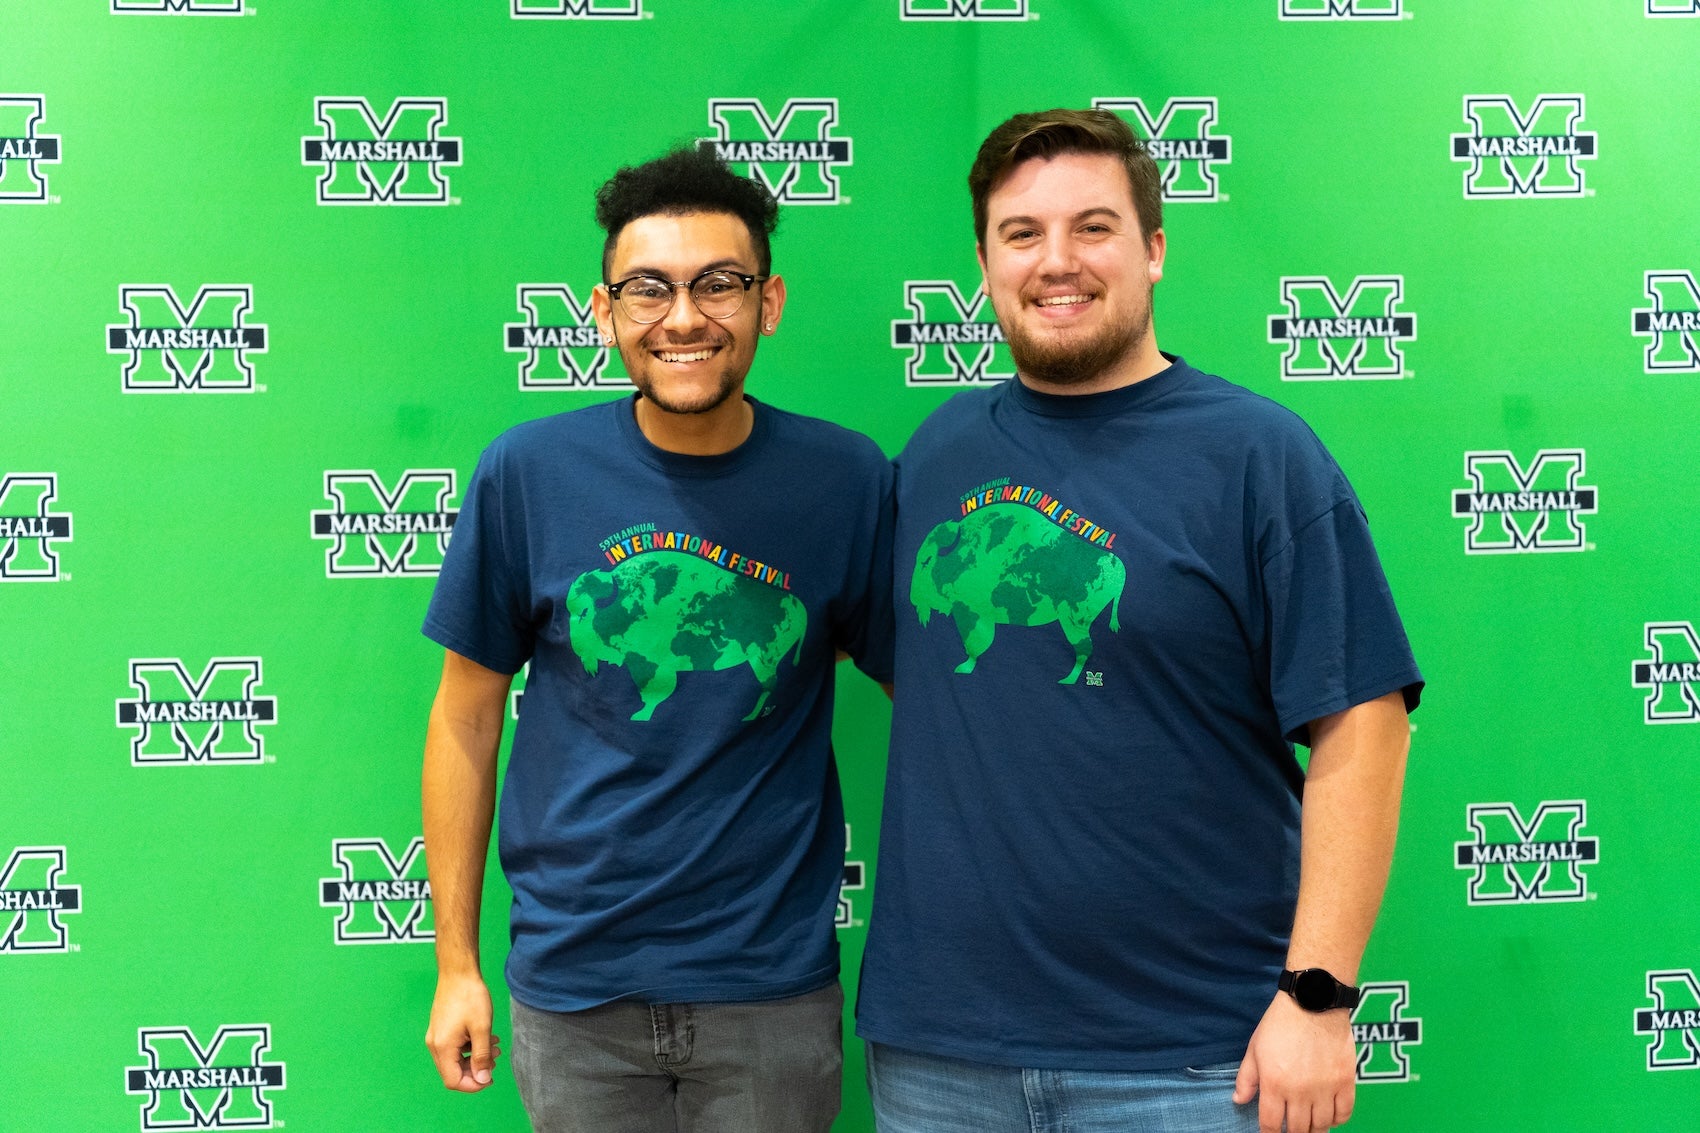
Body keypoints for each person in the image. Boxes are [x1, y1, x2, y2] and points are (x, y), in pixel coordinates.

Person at [855, 108, 1423, 1133]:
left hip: (1193, 1058)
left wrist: (1318, 995)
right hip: (940, 1053)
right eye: (1020, 233)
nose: (1054, 261)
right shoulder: (933, 457)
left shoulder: (1258, 456)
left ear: (1153, 248)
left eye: (1093, 227)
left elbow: (1363, 723)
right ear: (983, 264)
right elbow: (932, 679)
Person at [420, 145, 894, 1133]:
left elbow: (936, 699)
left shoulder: (845, 482)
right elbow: (465, 720)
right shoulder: (528, 473)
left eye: (718, 284)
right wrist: (456, 965)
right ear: (603, 312)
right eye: (649, 289)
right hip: (573, 985)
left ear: (768, 302)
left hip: (769, 985)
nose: (683, 318)